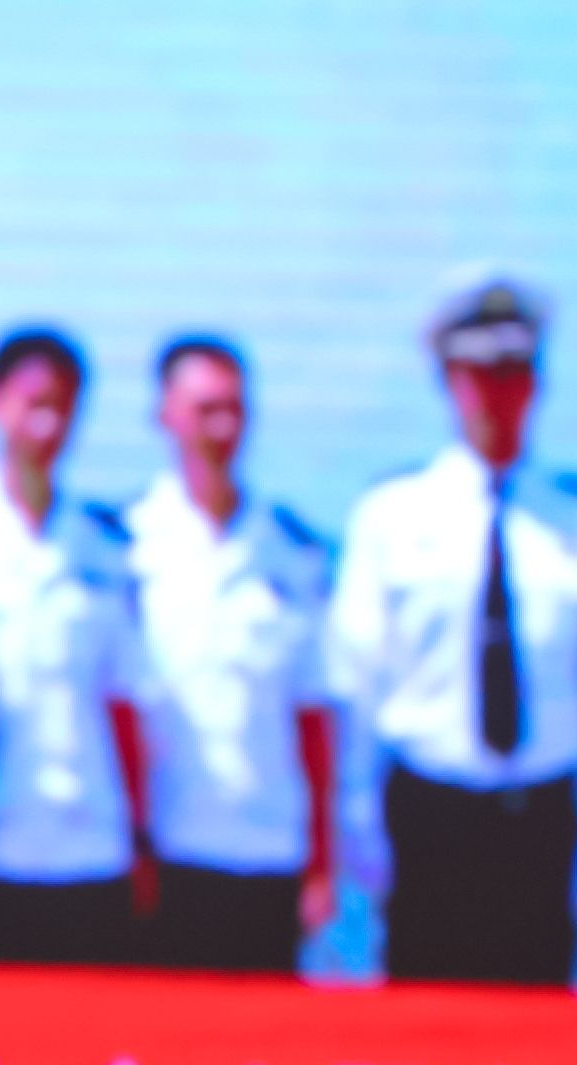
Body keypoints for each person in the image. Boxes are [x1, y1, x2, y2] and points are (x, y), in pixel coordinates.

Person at [327, 269, 577, 990]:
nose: (495, 396)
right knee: (421, 1033)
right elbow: (355, 688)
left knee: (535, 1035)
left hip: (541, 827)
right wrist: (357, 833)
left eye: (512, 374)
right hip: (427, 822)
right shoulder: (391, 518)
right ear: (447, 382)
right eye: (477, 376)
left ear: (537, 385)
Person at [119, 334, 336, 975]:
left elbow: (314, 718)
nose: (221, 429)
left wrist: (322, 860)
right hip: (168, 846)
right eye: (204, 410)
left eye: (235, 410)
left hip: (268, 849)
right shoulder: (128, 546)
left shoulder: (291, 552)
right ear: (165, 415)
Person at [0, 327, 154, 965]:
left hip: (91, 848)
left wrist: (140, 839)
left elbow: (124, 704)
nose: (47, 425)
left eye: (62, 408)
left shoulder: (105, 549)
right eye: (32, 404)